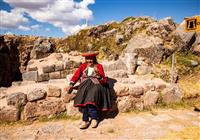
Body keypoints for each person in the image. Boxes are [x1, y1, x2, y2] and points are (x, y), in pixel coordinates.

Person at [65, 51, 112, 129]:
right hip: (85, 85)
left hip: (96, 85)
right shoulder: (83, 66)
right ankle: (86, 120)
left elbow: (103, 79)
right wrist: (71, 85)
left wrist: (99, 76)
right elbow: (76, 76)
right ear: (85, 59)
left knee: (91, 98)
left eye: (91, 59)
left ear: (94, 59)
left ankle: (94, 118)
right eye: (88, 59)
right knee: (84, 97)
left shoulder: (99, 66)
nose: (89, 61)